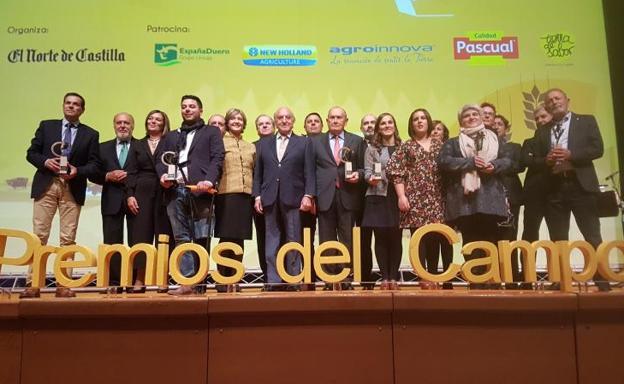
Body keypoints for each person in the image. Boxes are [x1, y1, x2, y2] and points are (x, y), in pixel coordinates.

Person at [22, 92, 100, 298]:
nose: (71, 107)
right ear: (63, 105)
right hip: (46, 185)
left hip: (71, 188)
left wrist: (78, 171)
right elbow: (31, 153)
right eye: (68, 103)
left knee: (68, 238)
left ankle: (63, 284)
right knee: (39, 236)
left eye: (76, 104)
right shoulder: (47, 126)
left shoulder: (91, 134)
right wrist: (45, 162)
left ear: (82, 110)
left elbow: (94, 165)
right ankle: (33, 283)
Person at [532, 88, 609, 290]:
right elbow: (536, 160)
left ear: (567, 100)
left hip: (580, 185)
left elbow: (597, 149)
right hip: (554, 188)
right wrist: (546, 160)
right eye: (549, 100)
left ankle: (602, 280)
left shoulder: (586, 121)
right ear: (546, 106)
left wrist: (571, 154)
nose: (554, 102)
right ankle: (561, 281)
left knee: (592, 235)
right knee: (558, 238)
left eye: (557, 98)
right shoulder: (542, 130)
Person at [157, 95, 225, 295]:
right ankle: (187, 282)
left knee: (202, 237)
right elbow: (161, 160)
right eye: (184, 107)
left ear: (200, 110)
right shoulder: (171, 135)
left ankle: (200, 282)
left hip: (200, 190)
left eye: (192, 106)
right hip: (174, 189)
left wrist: (209, 180)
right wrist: (162, 175)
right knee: (181, 237)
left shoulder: (211, 132)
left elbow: (217, 157)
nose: (187, 109)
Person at [438, 104, 511, 289]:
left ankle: (491, 280)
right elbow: (444, 162)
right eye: (466, 116)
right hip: (464, 201)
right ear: (461, 121)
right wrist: (470, 162)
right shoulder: (453, 142)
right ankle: (476, 280)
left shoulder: (495, 139)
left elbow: (508, 160)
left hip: (490, 199)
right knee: (470, 240)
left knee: (490, 239)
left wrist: (494, 165)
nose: (470, 118)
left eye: (474, 114)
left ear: (481, 117)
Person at [253, 107, 315, 290]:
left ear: (293, 121)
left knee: (293, 240)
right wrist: (257, 196)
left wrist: (308, 195)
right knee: (271, 240)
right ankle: (273, 280)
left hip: (294, 198)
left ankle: (293, 279)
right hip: (269, 197)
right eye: (280, 118)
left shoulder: (304, 142)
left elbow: (309, 172)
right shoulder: (264, 144)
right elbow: (258, 174)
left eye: (288, 117)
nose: (284, 120)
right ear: (275, 121)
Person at [386, 109, 445, 289]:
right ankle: (422, 276)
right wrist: (401, 196)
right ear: (411, 124)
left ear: (428, 121)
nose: (419, 122)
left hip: (437, 197)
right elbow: (395, 172)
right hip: (414, 199)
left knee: (435, 238)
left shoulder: (440, 145)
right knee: (418, 240)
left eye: (423, 118)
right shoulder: (406, 146)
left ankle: (433, 275)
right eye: (415, 119)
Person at [310, 106, 366, 290]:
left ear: (346, 121)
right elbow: (309, 171)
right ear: (327, 121)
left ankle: (346, 277)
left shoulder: (356, 141)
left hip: (348, 195)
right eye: (332, 117)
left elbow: (365, 168)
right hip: (324, 197)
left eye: (339, 117)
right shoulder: (315, 141)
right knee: (326, 239)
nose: (335, 120)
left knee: (347, 238)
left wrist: (358, 174)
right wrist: (310, 196)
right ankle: (329, 278)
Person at [125, 110, 172, 292]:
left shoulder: (170, 142)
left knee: (163, 236)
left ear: (164, 123)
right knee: (141, 236)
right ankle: (139, 279)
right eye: (150, 118)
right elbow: (131, 171)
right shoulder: (137, 144)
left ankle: (163, 278)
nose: (153, 121)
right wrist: (129, 194)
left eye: (158, 119)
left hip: (165, 191)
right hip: (141, 192)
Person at [92, 112, 137, 288]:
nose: (123, 126)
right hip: (111, 200)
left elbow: (146, 172)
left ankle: (133, 280)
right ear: (114, 125)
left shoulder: (141, 146)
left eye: (126, 123)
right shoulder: (102, 148)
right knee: (112, 242)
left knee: (136, 241)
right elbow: (93, 172)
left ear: (132, 126)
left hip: (134, 200)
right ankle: (115, 281)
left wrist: (131, 177)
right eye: (119, 122)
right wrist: (107, 176)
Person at [213, 108, 256, 292]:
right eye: (233, 119)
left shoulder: (251, 146)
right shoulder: (219, 143)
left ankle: (235, 278)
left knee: (239, 238)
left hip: (246, 195)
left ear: (244, 123)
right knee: (226, 236)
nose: (237, 121)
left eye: (240, 119)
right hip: (226, 194)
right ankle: (223, 279)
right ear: (227, 122)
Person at [361, 113, 402, 290]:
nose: (386, 125)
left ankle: (394, 277)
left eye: (389, 122)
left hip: (399, 196)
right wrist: (370, 179)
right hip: (377, 195)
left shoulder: (403, 147)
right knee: (381, 237)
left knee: (396, 237)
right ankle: (385, 277)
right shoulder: (371, 149)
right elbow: (368, 171)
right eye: (383, 123)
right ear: (378, 128)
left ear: (394, 125)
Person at [493, 114, 525, 285]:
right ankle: (495, 276)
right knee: (493, 238)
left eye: (500, 124)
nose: (497, 126)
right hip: (491, 197)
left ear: (506, 128)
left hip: (511, 195)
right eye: (494, 123)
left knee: (510, 237)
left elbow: (519, 165)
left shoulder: (514, 147)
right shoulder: (485, 147)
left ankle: (512, 276)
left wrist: (498, 164)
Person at [520, 106, 552, 244]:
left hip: (556, 193)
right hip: (533, 195)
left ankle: (559, 265)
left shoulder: (562, 139)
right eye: (537, 118)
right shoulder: (529, 142)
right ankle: (527, 266)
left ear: (552, 116)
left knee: (558, 234)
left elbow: (533, 160)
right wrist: (547, 160)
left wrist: (536, 160)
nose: (539, 120)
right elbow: (526, 160)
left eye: (543, 116)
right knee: (530, 233)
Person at [429, 119, 454, 288]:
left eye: (439, 129)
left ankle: (448, 277)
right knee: (431, 238)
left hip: (448, 197)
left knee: (446, 238)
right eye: (433, 129)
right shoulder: (424, 148)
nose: (435, 131)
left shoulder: (451, 149)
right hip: (430, 198)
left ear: (444, 133)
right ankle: (431, 275)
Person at [301, 111, 323, 289]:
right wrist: (310, 196)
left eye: (316, 121)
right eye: (309, 121)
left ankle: (332, 274)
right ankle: (310, 276)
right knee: (306, 239)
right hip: (306, 200)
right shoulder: (300, 143)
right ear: (304, 126)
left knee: (328, 238)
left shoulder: (327, 144)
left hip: (327, 198)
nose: (313, 124)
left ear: (322, 126)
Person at [252, 114, 275, 283]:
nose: (265, 126)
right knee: (263, 239)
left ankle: (285, 277)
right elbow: (255, 175)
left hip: (281, 200)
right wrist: (256, 196)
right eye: (261, 124)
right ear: (256, 128)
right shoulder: (252, 147)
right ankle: (268, 278)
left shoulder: (283, 143)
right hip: (260, 201)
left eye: (268, 123)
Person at [357, 113, 377, 289]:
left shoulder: (387, 145)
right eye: (366, 123)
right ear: (361, 127)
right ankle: (366, 278)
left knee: (382, 239)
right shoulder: (356, 144)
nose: (369, 126)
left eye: (373, 123)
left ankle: (387, 276)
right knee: (363, 241)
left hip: (381, 199)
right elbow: (357, 169)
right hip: (359, 200)